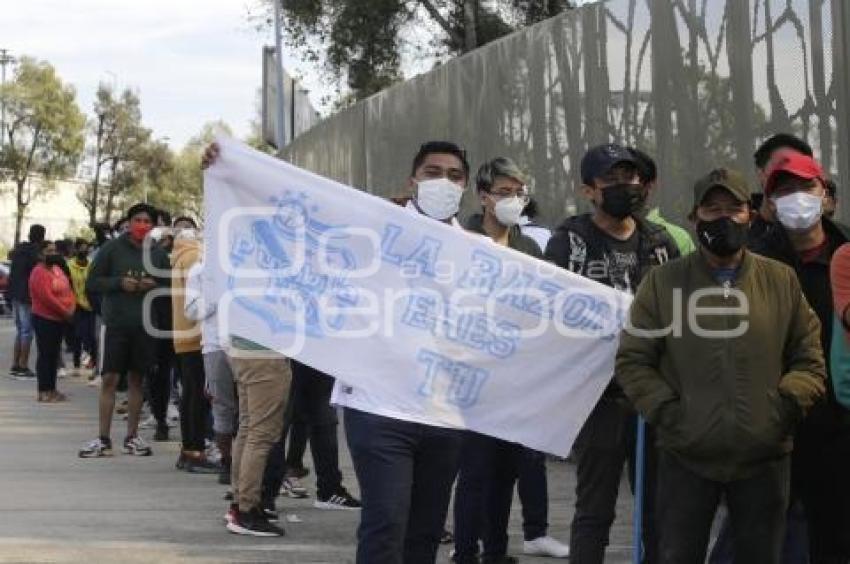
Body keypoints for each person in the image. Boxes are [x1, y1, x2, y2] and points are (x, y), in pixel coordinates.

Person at [617, 166, 826, 563]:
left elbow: (809, 357)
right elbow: (634, 359)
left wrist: (783, 407)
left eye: (734, 208)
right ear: (694, 219)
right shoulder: (663, 283)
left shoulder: (781, 280)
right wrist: (669, 412)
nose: (724, 219)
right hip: (685, 456)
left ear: (751, 213)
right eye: (712, 210)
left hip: (764, 456)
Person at [331, 141, 469, 563]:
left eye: (454, 175)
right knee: (386, 522)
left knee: (424, 532)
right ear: (412, 181)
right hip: (378, 407)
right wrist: (228, 169)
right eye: (432, 172)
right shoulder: (373, 229)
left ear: (465, 186)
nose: (443, 182)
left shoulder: (478, 252)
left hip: (444, 412)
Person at [545, 143, 678, 564]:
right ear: (590, 190)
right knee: (594, 509)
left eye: (632, 177)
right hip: (598, 398)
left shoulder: (659, 242)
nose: (626, 186)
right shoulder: (571, 241)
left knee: (660, 509)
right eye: (613, 180)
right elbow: (553, 311)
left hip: (653, 396)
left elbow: (679, 307)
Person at [452, 157, 569, 563]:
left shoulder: (528, 247)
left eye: (519, 192)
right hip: (470, 374)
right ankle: (466, 552)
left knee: (505, 473)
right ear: (483, 196)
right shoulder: (459, 238)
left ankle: (495, 552)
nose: (513, 199)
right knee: (474, 473)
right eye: (503, 192)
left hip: (515, 376)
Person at [749, 151, 850, 563]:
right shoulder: (753, 261)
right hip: (775, 415)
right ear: (769, 205)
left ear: (826, 194)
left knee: (836, 532)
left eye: (805, 187)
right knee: (766, 530)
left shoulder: (845, 251)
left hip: (839, 417)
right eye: (784, 191)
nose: (797, 198)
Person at [202, 143, 294, 538]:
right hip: (261, 346)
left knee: (248, 427)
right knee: (261, 432)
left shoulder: (240, 235)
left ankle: (243, 501)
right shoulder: (262, 238)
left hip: (245, 342)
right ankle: (246, 508)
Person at [78, 203, 169, 459]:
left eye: (147, 221)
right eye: (137, 219)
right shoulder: (111, 249)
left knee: (137, 380)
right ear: (128, 222)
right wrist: (119, 283)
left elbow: (170, 283)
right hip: (115, 324)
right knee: (109, 379)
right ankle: (103, 438)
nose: (142, 225)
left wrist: (154, 284)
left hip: (145, 325)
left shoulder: (159, 254)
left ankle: (132, 436)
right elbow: (93, 282)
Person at [171, 219, 217, 473]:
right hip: (196, 335)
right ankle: (194, 451)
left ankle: (189, 450)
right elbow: (198, 303)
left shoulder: (179, 256)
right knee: (197, 396)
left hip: (183, 335)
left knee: (191, 394)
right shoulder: (194, 259)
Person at [29, 241, 76, 403]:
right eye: (49, 251)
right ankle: (43, 390)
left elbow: (69, 289)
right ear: (40, 254)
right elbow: (47, 298)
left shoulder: (57, 270)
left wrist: (72, 307)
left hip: (60, 319)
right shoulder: (38, 272)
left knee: (54, 354)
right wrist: (65, 312)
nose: (53, 254)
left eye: (54, 250)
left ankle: (53, 389)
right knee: (46, 355)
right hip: (44, 319)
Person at [628, 147, 696, 256]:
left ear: (650, 186)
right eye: (611, 179)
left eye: (629, 178)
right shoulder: (592, 235)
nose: (619, 186)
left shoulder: (676, 238)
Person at [8, 224, 46, 380]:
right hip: (26, 296)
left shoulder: (18, 250)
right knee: (27, 331)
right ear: (42, 237)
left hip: (14, 294)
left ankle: (15, 364)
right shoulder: (34, 253)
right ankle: (23, 366)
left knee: (20, 330)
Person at [68, 239, 96, 373]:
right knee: (77, 336)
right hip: (75, 304)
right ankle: (76, 365)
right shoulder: (69, 265)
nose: (84, 251)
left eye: (86, 248)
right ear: (76, 249)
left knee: (91, 336)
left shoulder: (91, 264)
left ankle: (92, 364)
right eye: (82, 248)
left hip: (90, 304)